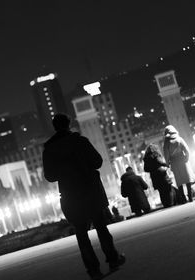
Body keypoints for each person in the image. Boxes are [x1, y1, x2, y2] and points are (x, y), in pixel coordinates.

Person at [43, 113, 125, 280]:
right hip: (90, 191)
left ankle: (93, 270)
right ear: (69, 124)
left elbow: (50, 176)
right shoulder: (80, 141)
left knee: (81, 233)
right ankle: (113, 259)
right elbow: (97, 162)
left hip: (70, 196)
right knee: (101, 227)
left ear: (55, 127)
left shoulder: (49, 150)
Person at [163, 125, 195, 203]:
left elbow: (166, 155)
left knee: (179, 181)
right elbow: (187, 150)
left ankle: (183, 199)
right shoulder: (179, 139)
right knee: (187, 179)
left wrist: (167, 164)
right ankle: (190, 197)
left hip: (174, 162)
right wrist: (187, 158)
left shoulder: (166, 143)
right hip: (183, 160)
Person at [143, 143, 176, 208]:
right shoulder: (155, 154)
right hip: (161, 174)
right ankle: (170, 203)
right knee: (168, 189)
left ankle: (165, 204)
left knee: (161, 191)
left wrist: (152, 169)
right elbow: (159, 162)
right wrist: (167, 164)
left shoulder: (146, 158)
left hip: (154, 177)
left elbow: (145, 169)